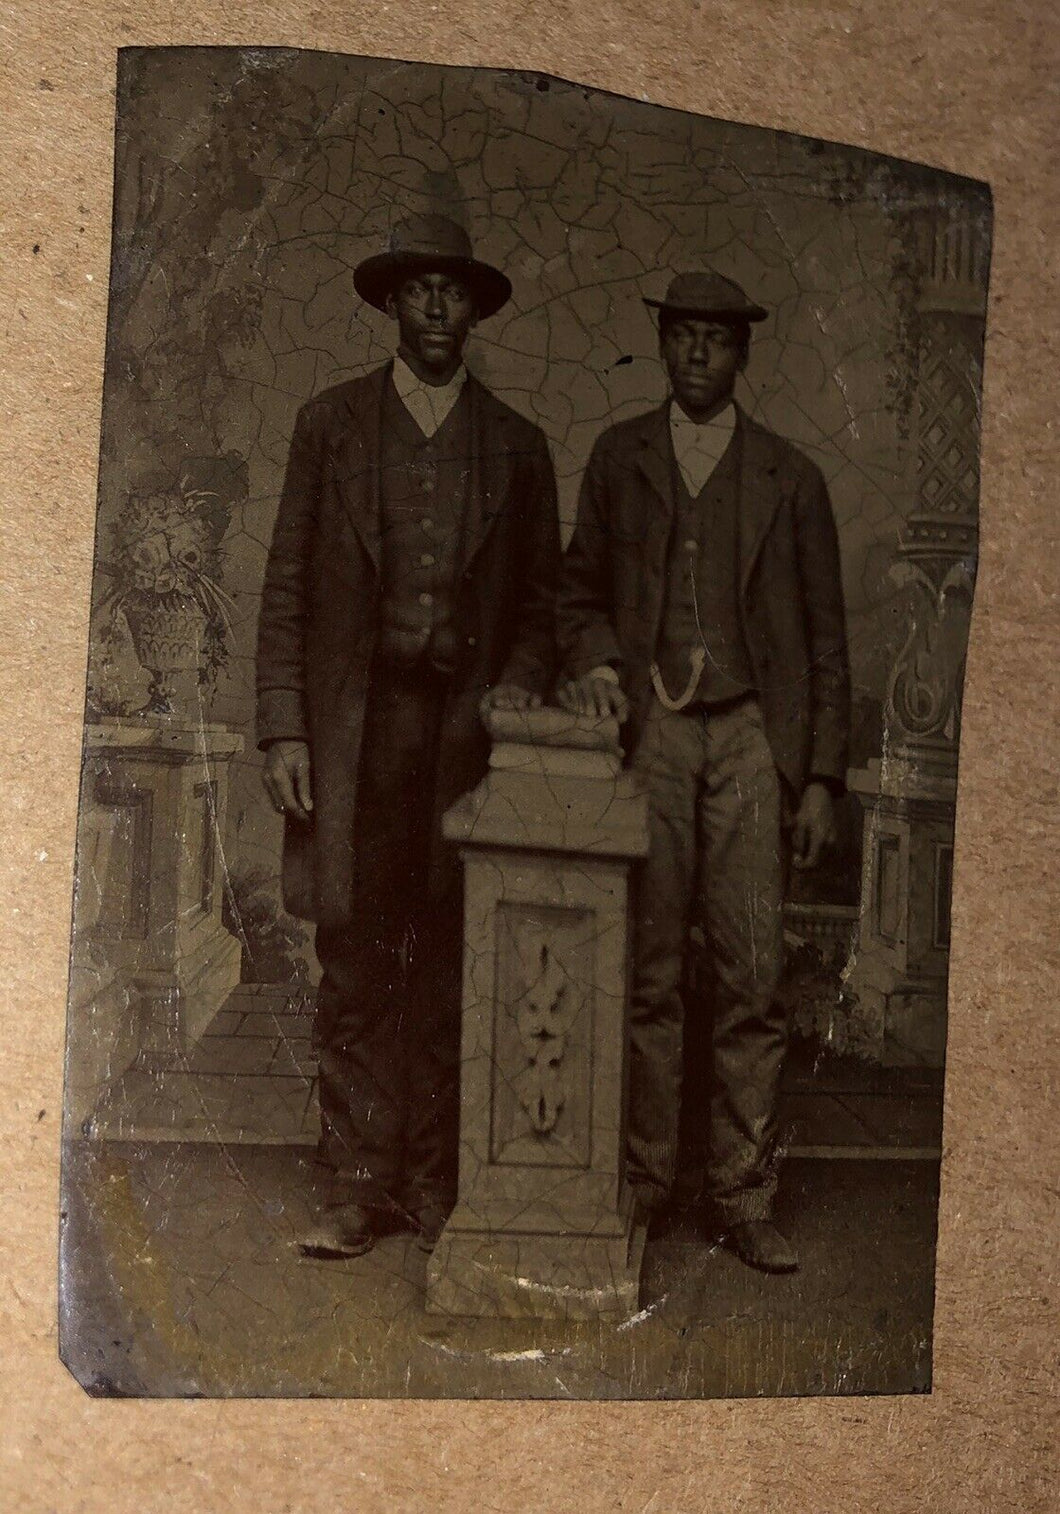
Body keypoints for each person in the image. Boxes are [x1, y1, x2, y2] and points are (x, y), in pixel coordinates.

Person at [256, 213, 559, 1258]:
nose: (437, 306)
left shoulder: (518, 446)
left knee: (448, 954)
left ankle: (434, 1180)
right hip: (355, 735)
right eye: (419, 288)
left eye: (455, 290)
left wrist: (511, 694)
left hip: (464, 741)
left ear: (475, 309)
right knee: (354, 952)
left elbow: (537, 611)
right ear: (391, 303)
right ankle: (354, 1179)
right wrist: (282, 730)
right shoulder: (329, 425)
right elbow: (287, 584)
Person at [557, 271, 850, 1273]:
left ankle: (738, 1189)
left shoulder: (790, 478)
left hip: (750, 740)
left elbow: (824, 642)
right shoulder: (617, 457)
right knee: (646, 971)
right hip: (654, 734)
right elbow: (578, 589)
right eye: (680, 336)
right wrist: (598, 660)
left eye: (714, 340)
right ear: (664, 344)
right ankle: (642, 1182)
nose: (695, 355)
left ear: (741, 354)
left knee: (753, 975)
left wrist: (816, 779)